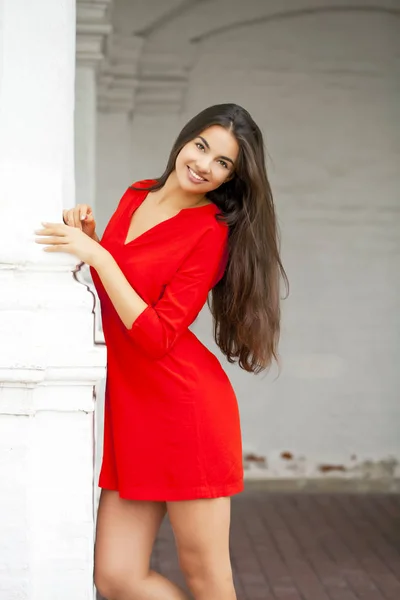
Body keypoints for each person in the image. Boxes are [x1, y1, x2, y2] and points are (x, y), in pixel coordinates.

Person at [35, 103, 287, 600]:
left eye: (223, 163)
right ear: (184, 139)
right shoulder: (135, 195)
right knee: (116, 576)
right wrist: (90, 242)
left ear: (231, 177)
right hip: (134, 412)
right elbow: (115, 298)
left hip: (186, 409)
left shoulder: (210, 232)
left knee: (208, 579)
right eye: (201, 146)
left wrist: (99, 256)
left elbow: (155, 336)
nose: (204, 165)